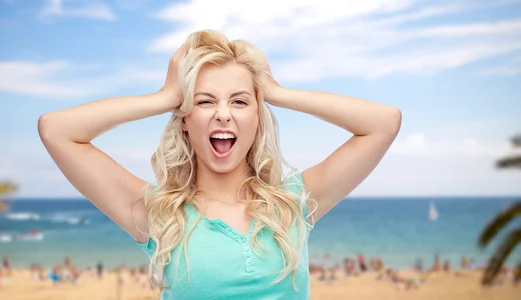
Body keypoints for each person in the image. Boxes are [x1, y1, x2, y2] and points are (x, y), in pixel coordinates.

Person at [38, 30, 401, 299]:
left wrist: (276, 93)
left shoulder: (292, 202)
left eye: (240, 102)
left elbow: (383, 123)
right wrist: (164, 96)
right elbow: (56, 130)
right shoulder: (160, 215)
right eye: (205, 102)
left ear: (258, 117)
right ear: (184, 118)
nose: (223, 115)